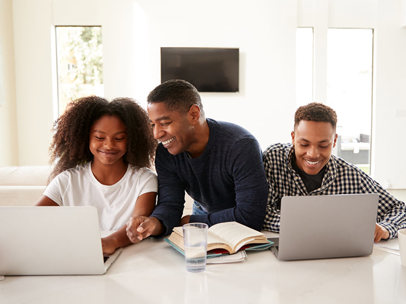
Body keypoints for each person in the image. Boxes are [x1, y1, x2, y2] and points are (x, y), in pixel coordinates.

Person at [126, 79, 268, 242]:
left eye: (164, 123)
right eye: (152, 125)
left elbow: (250, 215)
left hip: (238, 227)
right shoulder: (166, 153)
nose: (157, 134)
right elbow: (170, 204)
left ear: (194, 114)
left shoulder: (240, 145)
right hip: (204, 217)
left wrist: (192, 221)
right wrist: (155, 222)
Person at [262, 102, 406, 242]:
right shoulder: (273, 159)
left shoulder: (349, 175)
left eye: (323, 145)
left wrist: (384, 229)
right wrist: (318, 225)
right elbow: (261, 213)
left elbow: (401, 211)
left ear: (334, 141)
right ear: (293, 138)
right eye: (304, 144)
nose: (313, 154)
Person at [36, 96, 158, 255]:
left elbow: (137, 226)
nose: (109, 145)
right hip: (77, 256)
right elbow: (32, 221)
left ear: (132, 140)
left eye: (119, 138)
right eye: (99, 138)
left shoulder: (144, 179)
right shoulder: (67, 181)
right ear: (85, 137)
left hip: (131, 258)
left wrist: (111, 242)